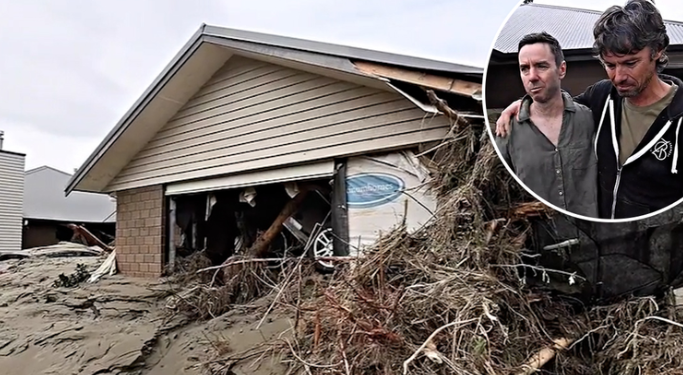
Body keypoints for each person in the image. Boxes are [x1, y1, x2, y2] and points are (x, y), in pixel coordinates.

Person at [495, 0, 683, 220]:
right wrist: (522, 104)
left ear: (658, 51)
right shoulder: (602, 97)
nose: (618, 77)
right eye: (610, 65)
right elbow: (557, 107)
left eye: (630, 63)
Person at [495, 32, 598, 218]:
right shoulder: (507, 130)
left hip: (593, 238)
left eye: (541, 66)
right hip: (538, 242)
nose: (532, 76)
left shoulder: (590, 118)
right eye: (524, 69)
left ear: (562, 69)